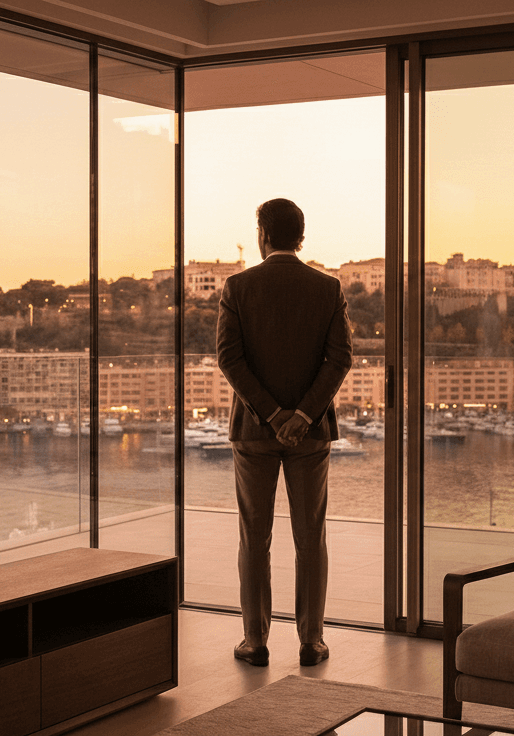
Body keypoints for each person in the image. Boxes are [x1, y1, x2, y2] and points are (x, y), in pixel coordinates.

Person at [216, 198, 353, 667]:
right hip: (311, 435)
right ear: (301, 236)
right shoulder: (328, 288)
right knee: (310, 537)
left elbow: (229, 359)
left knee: (254, 538)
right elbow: (340, 359)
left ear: (262, 234)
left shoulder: (237, 287)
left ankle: (255, 642)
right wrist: (302, 416)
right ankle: (311, 641)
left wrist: (272, 414)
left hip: (253, 434)